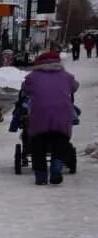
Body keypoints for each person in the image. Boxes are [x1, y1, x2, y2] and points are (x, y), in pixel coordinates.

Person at [22, 49, 80, 185]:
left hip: (40, 115)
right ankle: (56, 168)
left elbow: (25, 88)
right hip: (62, 114)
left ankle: (41, 176)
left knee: (38, 145)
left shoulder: (33, 77)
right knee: (61, 142)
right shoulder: (66, 76)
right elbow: (75, 86)